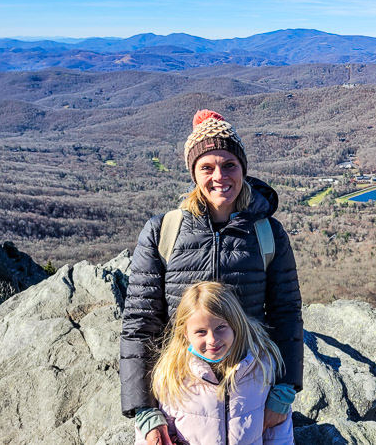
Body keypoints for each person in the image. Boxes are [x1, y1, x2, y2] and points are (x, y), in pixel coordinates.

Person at [121, 110, 303, 444]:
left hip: (250, 384)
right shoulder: (163, 232)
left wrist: (284, 389)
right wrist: (144, 411)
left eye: (229, 165)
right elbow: (139, 323)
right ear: (194, 173)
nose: (219, 176)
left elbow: (286, 313)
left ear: (243, 169)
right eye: (207, 167)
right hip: (182, 389)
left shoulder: (267, 233)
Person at [135, 281, 293, 445]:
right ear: (186, 334)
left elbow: (279, 434)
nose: (212, 340)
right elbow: (153, 435)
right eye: (201, 332)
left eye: (220, 327)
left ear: (235, 324)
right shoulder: (171, 375)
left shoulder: (262, 366)